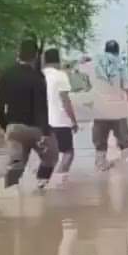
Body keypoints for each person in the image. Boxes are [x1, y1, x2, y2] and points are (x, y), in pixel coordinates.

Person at [0, 39, 59, 190]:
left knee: (16, 165)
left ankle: (8, 193)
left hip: (14, 128)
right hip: (35, 129)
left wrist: (5, 125)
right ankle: (40, 186)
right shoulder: (37, 77)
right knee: (51, 156)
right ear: (36, 56)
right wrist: (45, 132)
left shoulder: (6, 75)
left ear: (18, 53)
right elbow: (42, 107)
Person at [91, 40, 128, 171]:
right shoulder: (121, 63)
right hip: (117, 108)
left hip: (100, 109)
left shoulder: (95, 64)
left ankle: (100, 167)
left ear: (105, 50)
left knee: (100, 143)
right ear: (117, 51)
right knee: (124, 141)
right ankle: (127, 173)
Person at [42, 48, 80, 183]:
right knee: (68, 152)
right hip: (59, 121)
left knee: (48, 154)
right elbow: (65, 101)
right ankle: (59, 179)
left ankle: (43, 180)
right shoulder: (60, 75)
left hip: (41, 123)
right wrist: (74, 121)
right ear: (57, 60)